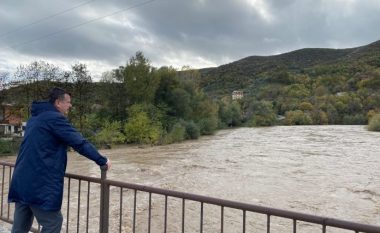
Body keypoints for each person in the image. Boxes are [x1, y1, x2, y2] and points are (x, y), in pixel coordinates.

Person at [8, 87, 111, 233]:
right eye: (68, 102)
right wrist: (102, 160)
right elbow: (79, 142)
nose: (70, 105)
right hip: (38, 184)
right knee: (53, 222)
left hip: (21, 181)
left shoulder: (35, 119)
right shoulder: (54, 119)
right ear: (58, 102)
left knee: (20, 226)